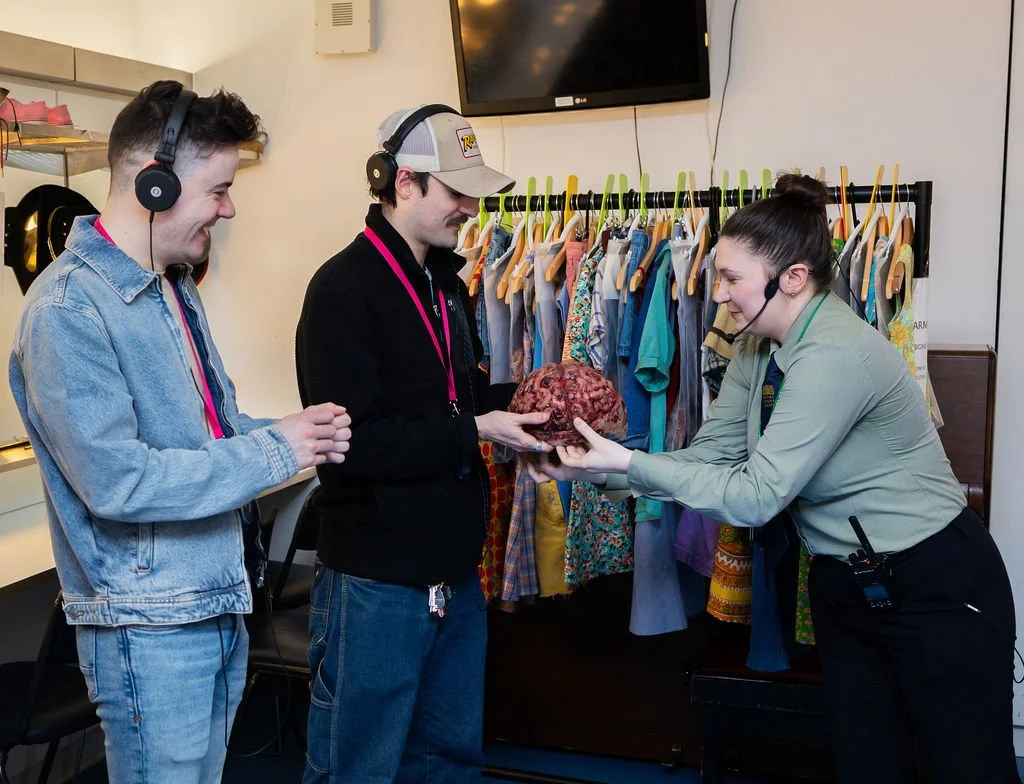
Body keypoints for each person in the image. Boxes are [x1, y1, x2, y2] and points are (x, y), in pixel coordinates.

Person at [528, 174, 1019, 784]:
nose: (719, 296)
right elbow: (709, 456)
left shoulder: (835, 354)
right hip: (847, 587)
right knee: (869, 768)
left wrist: (626, 463)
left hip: (934, 585)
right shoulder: (756, 348)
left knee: (968, 771)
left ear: (791, 278)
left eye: (732, 279)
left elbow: (759, 495)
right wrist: (597, 469)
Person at [9, 80, 352, 784]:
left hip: (210, 600)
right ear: (155, 184)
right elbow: (119, 481)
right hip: (149, 626)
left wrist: (291, 432)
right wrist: (275, 448)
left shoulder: (172, 287)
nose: (229, 208)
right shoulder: (69, 310)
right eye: (219, 188)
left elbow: (207, 436)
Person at [295, 104, 550, 782]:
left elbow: (455, 397)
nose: (469, 206)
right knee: (362, 761)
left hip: (454, 572)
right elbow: (353, 443)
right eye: (455, 190)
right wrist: (474, 428)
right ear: (402, 181)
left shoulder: (445, 283)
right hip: (378, 579)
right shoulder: (342, 291)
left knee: (450, 757)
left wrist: (524, 403)